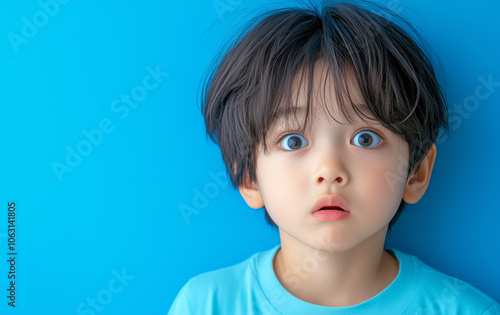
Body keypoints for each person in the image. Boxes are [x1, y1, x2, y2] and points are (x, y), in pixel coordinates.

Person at [169, 1, 500, 314]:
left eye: (365, 138)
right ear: (248, 178)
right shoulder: (207, 305)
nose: (329, 170)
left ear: (416, 173)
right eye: (293, 140)